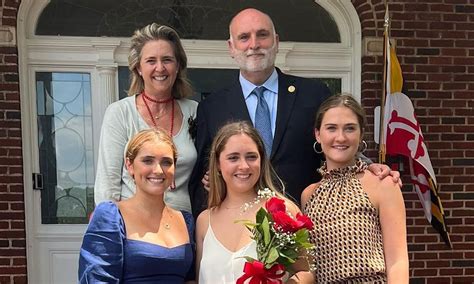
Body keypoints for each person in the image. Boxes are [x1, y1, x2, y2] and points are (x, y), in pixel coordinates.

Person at [189, 8, 398, 217]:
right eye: (244, 37)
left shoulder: (314, 95)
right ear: (231, 47)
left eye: (262, 35)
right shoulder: (212, 107)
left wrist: (368, 167)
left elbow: (336, 146)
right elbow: (202, 179)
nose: (254, 45)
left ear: (276, 41)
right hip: (239, 227)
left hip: (309, 223)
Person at [301, 94, 409, 283]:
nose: (340, 137)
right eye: (331, 128)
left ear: (361, 135)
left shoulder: (382, 184)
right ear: (318, 134)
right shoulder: (309, 195)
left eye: (350, 128)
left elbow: (397, 261)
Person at [94, 23, 197, 212]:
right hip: (134, 224)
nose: (160, 68)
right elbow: (107, 185)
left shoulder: (195, 111)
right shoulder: (120, 113)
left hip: (183, 224)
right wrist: (110, 226)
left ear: (178, 66)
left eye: (167, 60)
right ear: (138, 68)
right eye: (151, 61)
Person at [196, 121, 314, 283]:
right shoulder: (204, 221)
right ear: (217, 163)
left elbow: (306, 272)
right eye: (233, 158)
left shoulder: (282, 211)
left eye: (251, 157)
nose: (244, 166)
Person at [79, 129, 195, 283]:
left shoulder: (186, 221)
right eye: (148, 161)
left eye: (166, 162)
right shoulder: (111, 216)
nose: (158, 170)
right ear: (130, 165)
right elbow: (96, 279)